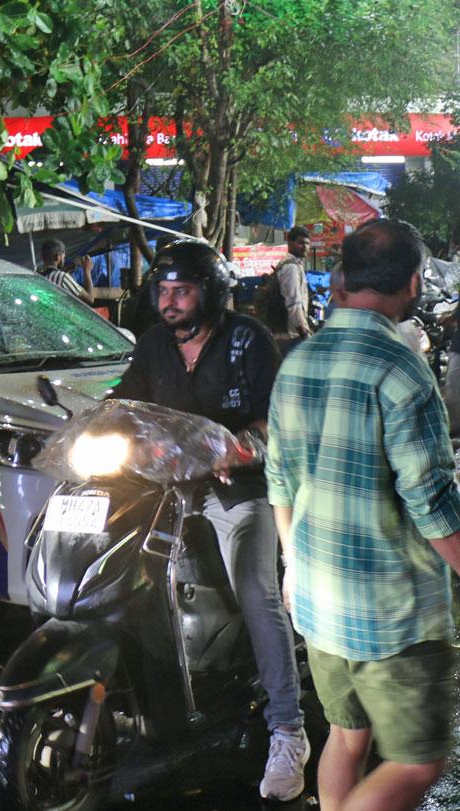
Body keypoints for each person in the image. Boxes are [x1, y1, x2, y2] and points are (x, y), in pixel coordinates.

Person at [267, 219, 460, 811]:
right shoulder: (403, 369)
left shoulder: (298, 361)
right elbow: (431, 503)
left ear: (343, 276)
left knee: (347, 736)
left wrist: (295, 572)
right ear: (410, 282)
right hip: (390, 614)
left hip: (319, 599)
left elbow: (281, 482)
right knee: (417, 759)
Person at [110, 240, 308, 802]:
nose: (170, 302)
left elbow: (276, 420)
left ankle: (287, 729)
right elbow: (127, 405)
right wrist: (96, 425)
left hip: (239, 490)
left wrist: (243, 447)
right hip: (168, 489)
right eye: (163, 291)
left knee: (254, 589)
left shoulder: (248, 340)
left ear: (211, 293)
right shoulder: (151, 345)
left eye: (183, 290)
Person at [269, 225, 313, 353]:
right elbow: (293, 304)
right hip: (291, 335)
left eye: (307, 244)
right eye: (300, 243)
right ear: (290, 243)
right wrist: (304, 333)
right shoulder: (291, 268)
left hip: (288, 334)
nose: (305, 247)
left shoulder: (293, 265)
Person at [38, 239, 94, 305]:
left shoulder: (37, 277)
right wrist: (87, 270)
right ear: (57, 257)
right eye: (63, 257)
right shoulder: (62, 277)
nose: (64, 259)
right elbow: (90, 300)